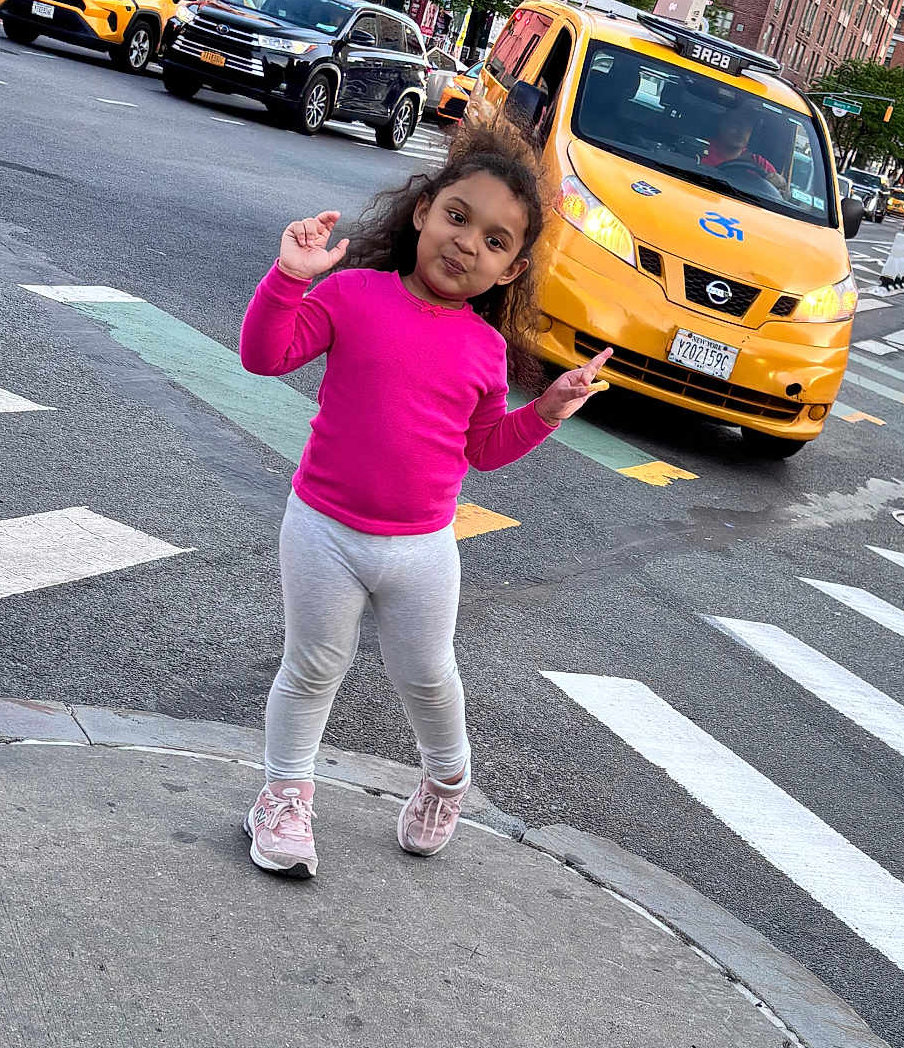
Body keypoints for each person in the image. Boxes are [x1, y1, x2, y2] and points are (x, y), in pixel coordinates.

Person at [237, 125, 611, 879]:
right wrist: (289, 277)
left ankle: (447, 781)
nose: (468, 243)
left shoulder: (485, 349)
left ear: (514, 268)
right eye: (458, 217)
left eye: (496, 240)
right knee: (312, 667)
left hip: (422, 548)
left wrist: (546, 411)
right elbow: (263, 355)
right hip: (322, 528)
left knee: (428, 675)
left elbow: (483, 450)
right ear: (422, 212)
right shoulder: (351, 293)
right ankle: (283, 796)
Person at [700, 112, 787, 190]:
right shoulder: (699, 148)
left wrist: (780, 183)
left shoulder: (761, 164)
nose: (742, 131)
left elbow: (779, 193)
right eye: (736, 124)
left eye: (748, 128)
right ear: (722, 124)